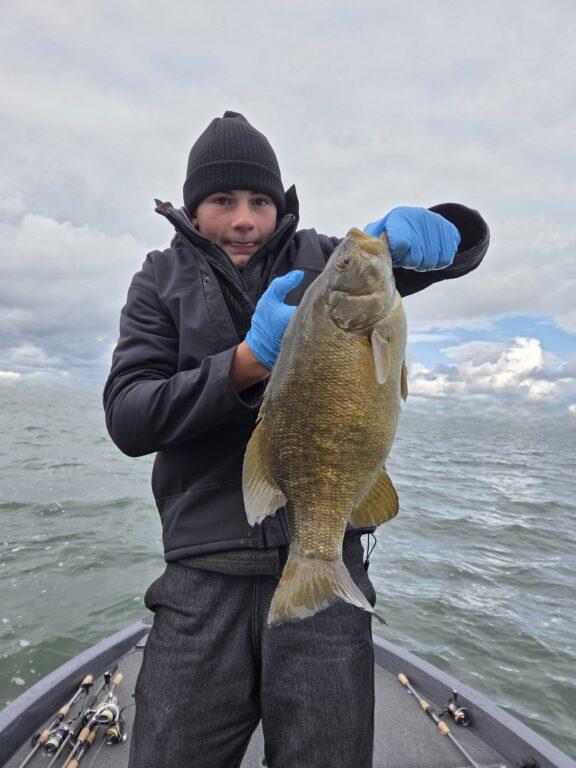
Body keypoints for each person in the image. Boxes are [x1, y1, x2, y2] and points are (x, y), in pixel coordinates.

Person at [103, 110, 489, 768]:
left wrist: (450, 228)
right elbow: (129, 415)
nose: (245, 219)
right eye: (223, 201)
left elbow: (454, 256)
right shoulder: (158, 282)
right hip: (202, 577)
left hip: (328, 556)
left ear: (280, 205)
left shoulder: (325, 261)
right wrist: (245, 361)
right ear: (194, 209)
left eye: (261, 200)